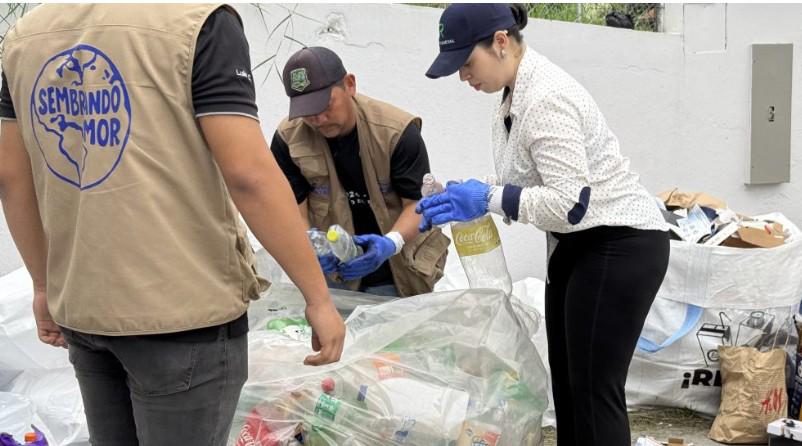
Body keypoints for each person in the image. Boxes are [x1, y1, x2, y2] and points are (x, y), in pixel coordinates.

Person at [0, 5, 345, 446]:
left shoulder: (25, 36)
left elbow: (12, 177)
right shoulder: (198, 20)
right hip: (181, 315)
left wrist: (44, 286)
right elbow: (249, 175)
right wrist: (317, 296)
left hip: (84, 308)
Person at [419, 4, 670, 445]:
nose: (463, 76)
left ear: (500, 42)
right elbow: (531, 180)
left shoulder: (546, 95)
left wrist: (488, 197)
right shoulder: (512, 96)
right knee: (570, 388)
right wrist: (473, 194)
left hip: (619, 242)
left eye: (466, 62)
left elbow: (570, 202)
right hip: (577, 244)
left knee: (594, 392)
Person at [270, 46, 449, 298]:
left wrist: (390, 244)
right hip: (334, 275)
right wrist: (311, 250)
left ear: (349, 85)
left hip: (398, 267)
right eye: (307, 112)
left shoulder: (396, 132)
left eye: (325, 105)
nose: (318, 119)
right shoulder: (288, 139)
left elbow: (417, 206)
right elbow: (292, 211)